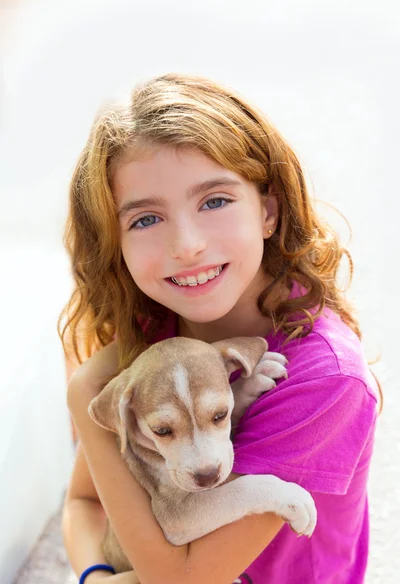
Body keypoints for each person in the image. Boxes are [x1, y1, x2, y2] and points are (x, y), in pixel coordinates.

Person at [61, 73, 380, 584]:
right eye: (145, 219)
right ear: (114, 243)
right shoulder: (159, 332)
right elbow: (83, 503)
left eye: (214, 201)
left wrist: (84, 393)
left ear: (269, 211)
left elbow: (179, 580)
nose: (186, 245)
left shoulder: (325, 381)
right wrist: (96, 577)